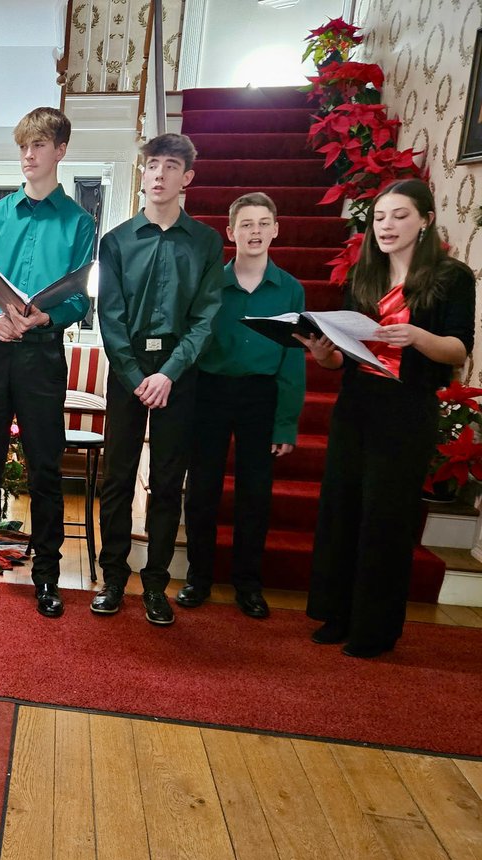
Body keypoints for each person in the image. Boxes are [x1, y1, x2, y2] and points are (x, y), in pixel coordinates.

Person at [300, 179, 475, 658]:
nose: (386, 226)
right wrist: (325, 354)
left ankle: (374, 629)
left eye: (399, 216)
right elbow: (345, 355)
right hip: (357, 405)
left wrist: (416, 335)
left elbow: (458, 349)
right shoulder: (365, 274)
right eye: (379, 217)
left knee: (386, 518)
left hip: (407, 409)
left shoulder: (452, 277)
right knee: (342, 510)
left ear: (425, 221)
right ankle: (337, 614)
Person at [0, 106, 95, 618]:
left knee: (45, 470)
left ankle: (47, 577)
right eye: (23, 147)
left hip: (42, 355)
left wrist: (46, 316)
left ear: (60, 151)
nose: (28, 155)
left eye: (38, 146)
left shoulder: (80, 222)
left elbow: (80, 298)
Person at [93, 133, 223, 627]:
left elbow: (206, 318)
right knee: (117, 478)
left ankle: (154, 584)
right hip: (128, 369)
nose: (159, 174)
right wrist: (134, 376)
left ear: (187, 177)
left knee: (168, 483)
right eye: (152, 165)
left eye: (170, 166)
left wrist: (168, 373)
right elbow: (110, 316)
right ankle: (111, 578)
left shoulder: (207, 242)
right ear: (142, 174)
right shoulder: (116, 242)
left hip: (179, 373)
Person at [177, 192, 305, 619]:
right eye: (246, 224)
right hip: (211, 391)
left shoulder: (291, 289)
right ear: (230, 232)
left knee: (255, 492)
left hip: (260, 396)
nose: (255, 231)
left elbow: (293, 359)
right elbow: (193, 341)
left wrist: (285, 423)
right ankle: (198, 577)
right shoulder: (211, 283)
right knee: (203, 489)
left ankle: (248, 583)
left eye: (263, 223)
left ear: (276, 230)